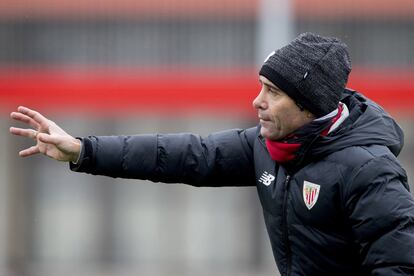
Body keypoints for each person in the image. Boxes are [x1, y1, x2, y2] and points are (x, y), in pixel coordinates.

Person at [10, 32, 414, 275]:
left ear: (309, 105)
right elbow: (186, 154)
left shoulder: (367, 169)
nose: (257, 102)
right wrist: (83, 150)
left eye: (273, 93)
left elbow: (401, 262)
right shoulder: (268, 146)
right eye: (260, 86)